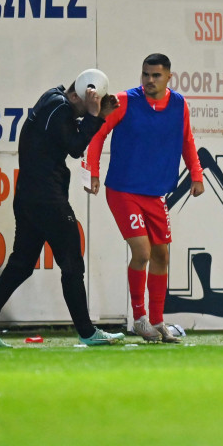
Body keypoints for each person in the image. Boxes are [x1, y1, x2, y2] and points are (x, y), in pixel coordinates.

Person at [0, 74, 125, 347]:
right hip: (47, 200)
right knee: (73, 264)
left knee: (21, 265)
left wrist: (94, 114)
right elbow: (75, 148)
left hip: (28, 197)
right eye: (83, 106)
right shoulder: (62, 109)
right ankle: (87, 332)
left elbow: (65, 133)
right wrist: (96, 116)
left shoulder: (52, 98)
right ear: (76, 96)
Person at [86, 53, 204, 344]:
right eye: (145, 75)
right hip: (123, 190)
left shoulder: (179, 105)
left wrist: (196, 174)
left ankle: (157, 321)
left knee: (162, 255)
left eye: (156, 76)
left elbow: (187, 140)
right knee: (142, 252)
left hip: (155, 193)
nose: (150, 80)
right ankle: (139, 319)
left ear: (168, 78)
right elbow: (98, 135)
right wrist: (93, 172)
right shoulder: (124, 101)